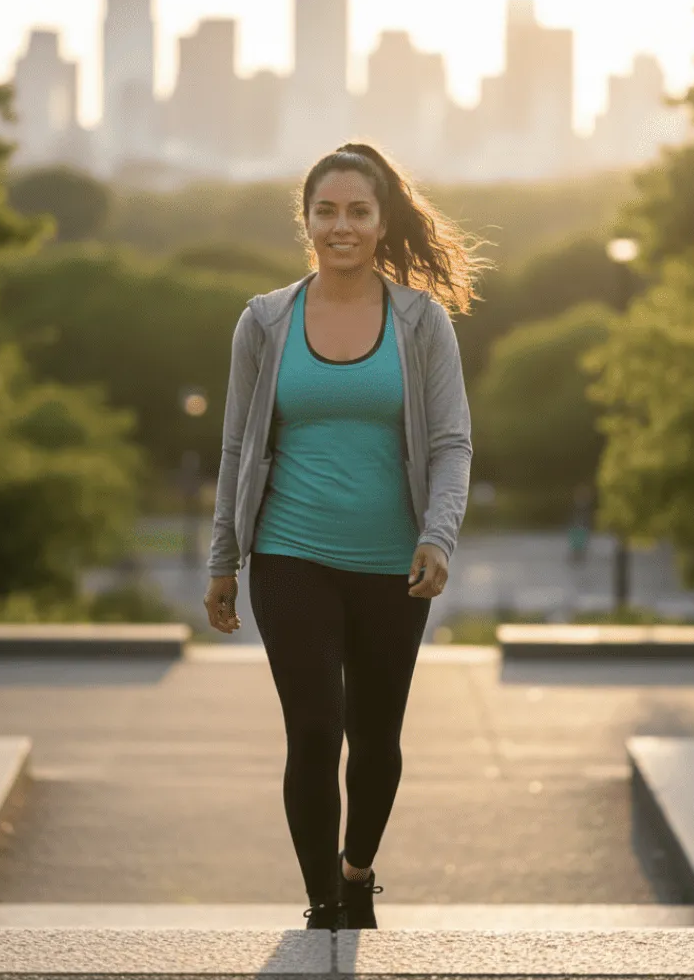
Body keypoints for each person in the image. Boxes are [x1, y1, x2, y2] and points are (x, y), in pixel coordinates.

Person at [202, 141, 494, 932]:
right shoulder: (264, 322)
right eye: (325, 211)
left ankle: (357, 868)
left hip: (391, 563)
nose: (341, 226)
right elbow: (237, 446)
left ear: (381, 219)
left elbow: (452, 443)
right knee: (314, 729)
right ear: (306, 221)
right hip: (290, 555)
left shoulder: (421, 322)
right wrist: (224, 559)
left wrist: (438, 536)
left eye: (357, 211)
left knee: (375, 739)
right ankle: (325, 906)